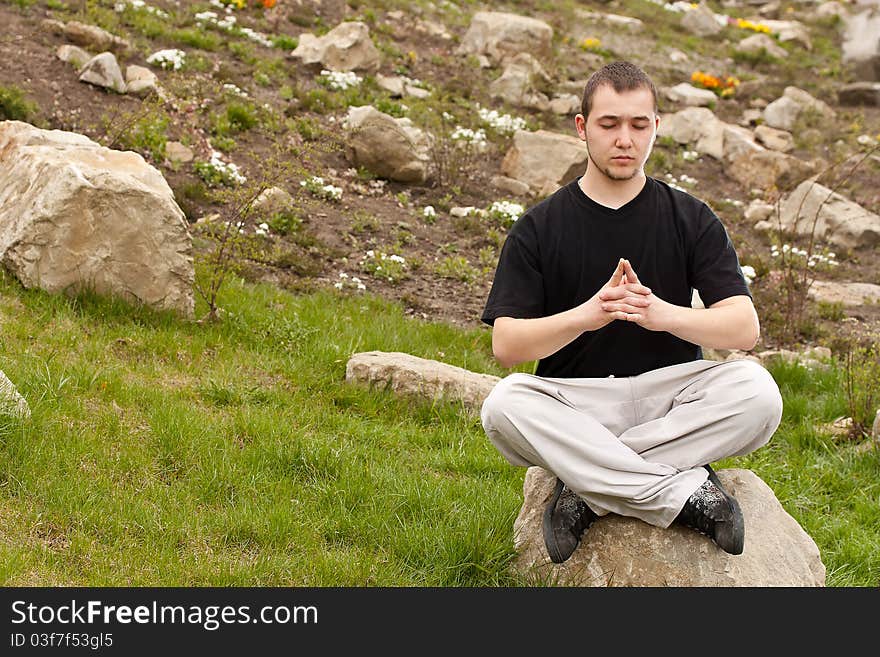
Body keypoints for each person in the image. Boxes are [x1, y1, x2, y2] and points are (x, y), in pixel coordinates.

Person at [479, 61, 783, 564]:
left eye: (639, 125)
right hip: (579, 404)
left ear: (656, 128)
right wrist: (587, 315)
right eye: (609, 124)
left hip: (675, 401)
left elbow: (743, 328)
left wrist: (664, 314)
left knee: (758, 393)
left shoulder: (691, 217)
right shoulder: (539, 227)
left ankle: (585, 485)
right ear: (582, 128)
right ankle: (686, 493)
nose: (625, 139)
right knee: (504, 406)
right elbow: (507, 346)